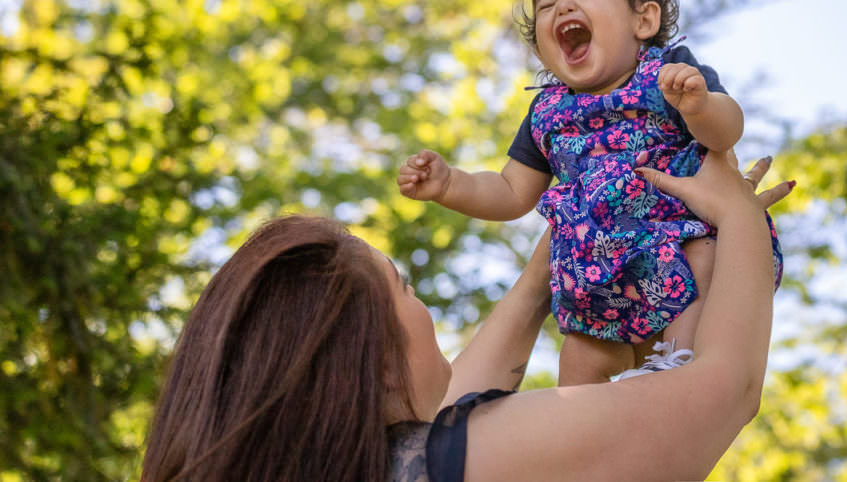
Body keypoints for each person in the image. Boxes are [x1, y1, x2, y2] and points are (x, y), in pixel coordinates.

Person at [142, 151, 791, 482]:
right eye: (406, 289)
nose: (420, 308)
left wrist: (560, 253)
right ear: (371, 357)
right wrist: (736, 217)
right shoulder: (451, 462)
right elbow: (724, 390)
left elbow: (462, 409)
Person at [398, 0, 784, 384]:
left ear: (644, 19)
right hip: (593, 270)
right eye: (546, 5)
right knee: (581, 357)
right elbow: (510, 193)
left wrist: (698, 105)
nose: (563, 7)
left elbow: (727, 131)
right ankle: (580, 425)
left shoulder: (667, 72)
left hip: (677, 233)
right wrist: (451, 185)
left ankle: (674, 371)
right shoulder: (546, 112)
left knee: (702, 261)